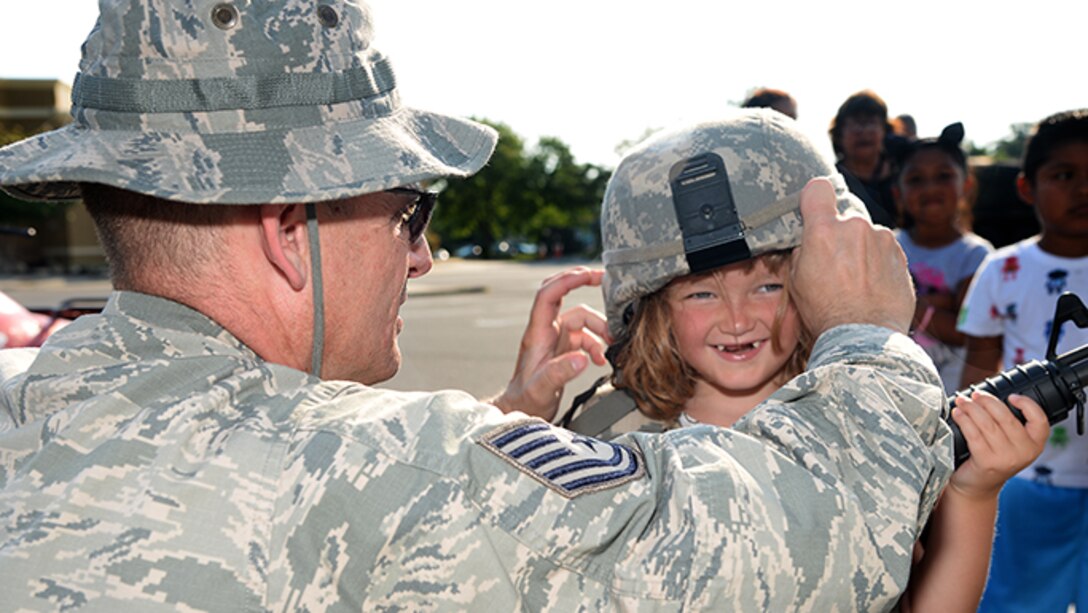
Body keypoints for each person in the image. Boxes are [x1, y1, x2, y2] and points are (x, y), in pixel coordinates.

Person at [0, 2, 951, 609]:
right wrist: (866, 341)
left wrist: (508, 421)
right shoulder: (388, 470)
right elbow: (807, 547)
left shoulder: (28, 404)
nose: (422, 257)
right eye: (410, 213)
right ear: (289, 230)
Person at [561, 111, 1048, 612]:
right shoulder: (603, 435)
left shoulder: (863, 425)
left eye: (768, 286)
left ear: (815, 286)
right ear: (652, 309)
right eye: (701, 294)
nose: (736, 319)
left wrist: (971, 495)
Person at [958, 108, 1088, 613]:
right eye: (1064, 175)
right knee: (1017, 600)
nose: (1083, 189)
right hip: (1025, 480)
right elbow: (978, 367)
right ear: (1026, 188)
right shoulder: (1002, 267)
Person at [893, 122, 994, 394]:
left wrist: (904, 302)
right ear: (897, 193)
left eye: (943, 176)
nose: (930, 188)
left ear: (967, 185)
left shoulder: (977, 256)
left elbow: (966, 332)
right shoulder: (887, 245)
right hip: (895, 390)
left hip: (953, 395)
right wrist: (941, 307)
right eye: (916, 180)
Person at [828, 89, 899, 227]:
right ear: (839, 134)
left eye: (871, 122)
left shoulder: (906, 174)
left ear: (885, 130)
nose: (863, 131)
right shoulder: (832, 181)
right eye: (855, 123)